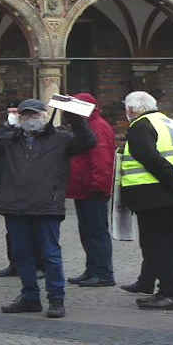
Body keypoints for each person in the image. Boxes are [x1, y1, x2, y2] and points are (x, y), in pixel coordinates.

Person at [0, 99, 94, 318]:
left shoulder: (61, 139)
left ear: (44, 116)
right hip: (16, 206)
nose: (30, 119)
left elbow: (88, 142)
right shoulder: (9, 140)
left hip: (47, 205)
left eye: (35, 115)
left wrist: (76, 118)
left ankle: (56, 298)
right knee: (22, 255)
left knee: (50, 255)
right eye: (26, 115)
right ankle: (30, 297)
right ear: (20, 118)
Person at [117, 90, 173, 310]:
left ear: (131, 109)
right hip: (171, 196)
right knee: (159, 242)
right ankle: (147, 281)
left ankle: (171, 293)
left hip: (153, 195)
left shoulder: (140, 126)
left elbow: (150, 158)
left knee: (158, 245)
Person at [66, 91, 118, 287]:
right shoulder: (88, 126)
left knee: (96, 232)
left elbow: (102, 160)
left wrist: (98, 185)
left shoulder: (98, 127)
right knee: (87, 232)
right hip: (84, 188)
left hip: (93, 189)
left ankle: (103, 273)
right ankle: (92, 269)